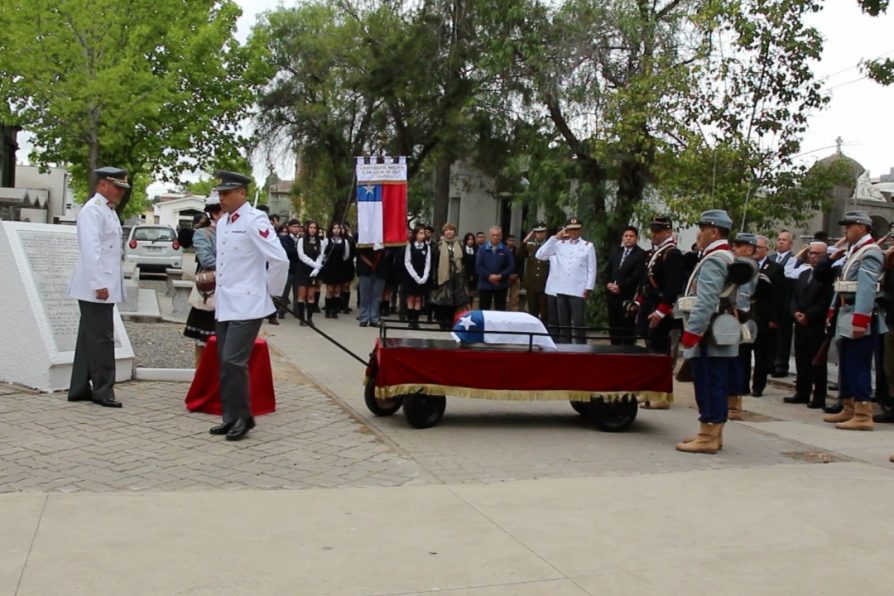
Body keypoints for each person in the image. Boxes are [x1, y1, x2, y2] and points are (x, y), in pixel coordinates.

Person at [209, 170, 288, 441]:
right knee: (224, 363)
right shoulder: (223, 223)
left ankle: (244, 418)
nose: (222, 198)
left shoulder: (255, 220)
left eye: (227, 193)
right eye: (220, 193)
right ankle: (229, 417)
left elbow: (279, 260)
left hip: (248, 304)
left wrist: (272, 293)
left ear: (242, 193)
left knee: (234, 361)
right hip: (225, 304)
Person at [676, 210, 740, 454]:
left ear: (714, 232)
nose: (698, 235)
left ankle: (709, 434)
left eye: (701, 230)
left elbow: (706, 301)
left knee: (708, 381)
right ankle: (712, 433)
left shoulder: (715, 259)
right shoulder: (726, 256)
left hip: (708, 331)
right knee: (714, 381)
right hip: (716, 328)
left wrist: (692, 333)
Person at [67, 166, 131, 408]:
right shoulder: (92, 211)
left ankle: (79, 387)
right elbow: (90, 251)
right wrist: (99, 284)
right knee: (102, 338)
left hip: (101, 286)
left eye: (123, 188)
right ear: (103, 184)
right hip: (95, 287)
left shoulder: (107, 211)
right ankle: (104, 390)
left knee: (88, 337)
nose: (120, 192)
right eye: (117, 187)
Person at [823, 211, 886, 431]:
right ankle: (849, 406)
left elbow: (867, 288)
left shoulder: (870, 252)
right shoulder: (854, 251)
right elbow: (842, 283)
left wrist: (861, 319)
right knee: (847, 363)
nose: (846, 229)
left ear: (862, 227)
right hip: (846, 309)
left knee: (858, 364)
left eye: (850, 226)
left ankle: (862, 412)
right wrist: (833, 309)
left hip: (859, 313)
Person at [632, 215, 683, 409]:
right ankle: (648, 390)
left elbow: (672, 287)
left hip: (661, 309)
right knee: (649, 352)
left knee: (661, 355)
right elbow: (645, 283)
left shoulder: (672, 254)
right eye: (653, 230)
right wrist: (638, 302)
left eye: (659, 231)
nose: (654, 234)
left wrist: (661, 311)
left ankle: (661, 396)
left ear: (668, 232)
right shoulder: (653, 253)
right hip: (649, 305)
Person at [782, 241, 833, 408]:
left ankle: (819, 396)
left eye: (817, 254)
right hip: (800, 323)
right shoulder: (803, 273)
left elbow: (825, 301)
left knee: (817, 362)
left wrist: (808, 316)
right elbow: (794, 297)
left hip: (816, 325)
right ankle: (802, 391)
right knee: (801, 359)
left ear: (825, 255)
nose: (813, 256)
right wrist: (795, 313)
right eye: (811, 253)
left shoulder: (827, 276)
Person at [535, 216, 596, 344]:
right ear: (567, 230)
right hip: (561, 288)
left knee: (578, 321)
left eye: (576, 229)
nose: (573, 232)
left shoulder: (588, 246)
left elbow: (591, 269)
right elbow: (540, 255)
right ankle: (564, 346)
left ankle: (581, 347)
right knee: (563, 322)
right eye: (571, 229)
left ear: (580, 230)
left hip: (578, 289)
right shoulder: (559, 245)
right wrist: (554, 238)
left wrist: (589, 287)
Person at [183, 193, 223, 366]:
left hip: (230, 293)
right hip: (210, 291)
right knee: (205, 345)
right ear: (214, 213)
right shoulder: (202, 234)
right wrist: (232, 266)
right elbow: (206, 259)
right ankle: (201, 381)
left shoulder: (233, 233)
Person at [745, 234, 785, 397]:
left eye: (759, 247)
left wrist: (775, 319)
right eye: (753, 246)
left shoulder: (775, 268)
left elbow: (779, 296)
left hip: (764, 317)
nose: (755, 250)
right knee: (744, 353)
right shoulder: (746, 266)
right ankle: (742, 385)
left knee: (761, 356)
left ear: (766, 250)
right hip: (746, 315)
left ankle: (758, 386)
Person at [728, 233, 760, 421]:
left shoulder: (746, 266)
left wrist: (736, 314)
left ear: (749, 249)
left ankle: (734, 405)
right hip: (736, 315)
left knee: (736, 361)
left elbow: (742, 294)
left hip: (738, 316)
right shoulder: (740, 265)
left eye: (739, 245)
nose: (734, 248)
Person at [603, 226, 646, 345]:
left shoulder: (641, 254)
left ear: (636, 238)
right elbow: (607, 271)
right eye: (626, 236)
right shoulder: (617, 252)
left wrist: (620, 287)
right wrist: (608, 284)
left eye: (631, 236)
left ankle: (627, 351)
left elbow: (637, 275)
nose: (628, 238)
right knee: (613, 327)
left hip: (627, 297)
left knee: (626, 328)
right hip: (612, 297)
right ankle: (614, 350)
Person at [430, 223, 469, 329]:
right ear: (444, 232)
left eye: (451, 230)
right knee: (442, 301)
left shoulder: (460, 245)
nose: (449, 232)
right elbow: (434, 263)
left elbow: (464, 261)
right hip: (443, 278)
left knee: (454, 302)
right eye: (446, 230)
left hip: (457, 278)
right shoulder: (439, 245)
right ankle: (442, 322)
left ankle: (451, 322)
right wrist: (434, 278)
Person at [771, 229, 798, 377]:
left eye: (784, 240)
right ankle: (771, 363)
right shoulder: (772, 258)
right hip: (772, 302)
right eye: (779, 239)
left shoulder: (795, 260)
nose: (781, 242)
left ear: (791, 243)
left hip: (786, 303)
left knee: (783, 337)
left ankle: (781, 365)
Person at [475, 225, 515, 311]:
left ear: (501, 236)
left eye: (497, 235)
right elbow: (478, 266)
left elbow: (511, 266)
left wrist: (500, 276)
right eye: (493, 235)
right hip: (485, 285)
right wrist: (489, 276)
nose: (495, 237)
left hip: (501, 285)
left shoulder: (506, 250)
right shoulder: (482, 249)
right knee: (484, 311)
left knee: (500, 311)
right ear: (490, 236)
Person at [516, 222, 550, 321]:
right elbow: (519, 256)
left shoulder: (549, 245)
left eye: (542, 232)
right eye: (537, 232)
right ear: (534, 233)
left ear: (545, 233)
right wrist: (524, 242)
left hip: (545, 284)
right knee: (532, 312)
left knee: (545, 313)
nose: (540, 234)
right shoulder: (530, 246)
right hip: (531, 284)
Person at [295, 220, 327, 326]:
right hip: (303, 270)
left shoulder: (321, 242)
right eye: (311, 227)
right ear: (307, 228)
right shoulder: (301, 240)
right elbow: (301, 255)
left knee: (311, 295)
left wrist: (317, 268)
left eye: (314, 228)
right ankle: (301, 318)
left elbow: (320, 256)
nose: (312, 230)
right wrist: (314, 265)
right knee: (302, 294)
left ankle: (309, 318)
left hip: (314, 272)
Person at [402, 225, 432, 328]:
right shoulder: (410, 246)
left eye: (424, 233)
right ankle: (410, 320)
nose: (423, 235)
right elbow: (407, 262)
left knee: (419, 298)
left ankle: (416, 320)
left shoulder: (427, 247)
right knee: (411, 298)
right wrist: (415, 276)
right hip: (411, 276)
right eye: (421, 233)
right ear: (416, 234)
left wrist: (424, 276)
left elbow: (428, 263)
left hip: (422, 275)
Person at [320, 222, 351, 319]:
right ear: (331, 230)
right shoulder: (326, 241)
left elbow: (346, 255)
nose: (336, 230)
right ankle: (328, 310)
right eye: (334, 228)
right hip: (329, 267)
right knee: (330, 290)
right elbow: (322, 254)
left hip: (339, 267)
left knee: (337, 290)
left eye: (338, 228)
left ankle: (334, 310)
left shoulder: (344, 241)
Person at [356, 244, 389, 327]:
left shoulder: (386, 243)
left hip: (381, 272)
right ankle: (364, 318)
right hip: (365, 271)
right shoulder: (365, 241)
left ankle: (374, 318)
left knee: (377, 297)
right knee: (364, 296)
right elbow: (359, 252)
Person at [278, 219, 302, 319]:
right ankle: (282, 311)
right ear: (289, 228)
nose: (296, 229)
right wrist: (299, 252)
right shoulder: (284, 239)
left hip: (299, 269)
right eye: (294, 227)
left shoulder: (301, 239)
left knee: (297, 292)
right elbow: (288, 251)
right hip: (288, 269)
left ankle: (297, 311)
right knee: (285, 292)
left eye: (297, 227)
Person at [462, 232, 479, 306]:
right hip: (464, 275)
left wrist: (473, 274)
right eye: (468, 239)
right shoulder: (462, 249)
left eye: (472, 239)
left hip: (475, 275)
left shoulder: (477, 249)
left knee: (472, 295)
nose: (470, 241)